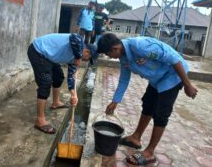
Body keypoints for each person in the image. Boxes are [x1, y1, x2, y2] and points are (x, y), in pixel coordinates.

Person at [97, 33, 198, 165]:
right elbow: (124, 79)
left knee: (161, 114)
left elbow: (174, 59)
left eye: (108, 54)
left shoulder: (140, 46)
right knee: (148, 104)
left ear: (115, 48)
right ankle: (136, 137)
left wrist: (187, 84)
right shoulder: (123, 56)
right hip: (156, 79)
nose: (109, 57)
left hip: (172, 76)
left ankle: (150, 152)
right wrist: (115, 101)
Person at [27, 33, 98, 134]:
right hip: (38, 51)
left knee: (59, 77)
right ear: (87, 51)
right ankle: (40, 120)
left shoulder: (74, 59)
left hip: (49, 56)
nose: (84, 61)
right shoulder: (79, 41)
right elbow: (74, 37)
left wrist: (74, 95)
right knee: (45, 83)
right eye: (87, 59)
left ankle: (55, 103)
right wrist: (78, 57)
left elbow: (71, 77)